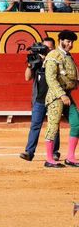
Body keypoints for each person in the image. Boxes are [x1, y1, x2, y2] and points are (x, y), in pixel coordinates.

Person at [43, 30, 79, 168]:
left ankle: (70, 157)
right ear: (61, 41)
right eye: (68, 42)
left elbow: (72, 76)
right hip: (55, 96)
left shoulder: (68, 56)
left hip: (67, 96)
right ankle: (49, 159)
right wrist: (61, 94)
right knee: (53, 126)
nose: (70, 45)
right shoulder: (53, 55)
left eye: (72, 42)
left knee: (77, 123)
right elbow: (50, 78)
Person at [19, 38, 59, 162]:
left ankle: (54, 152)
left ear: (53, 48)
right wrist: (31, 65)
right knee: (35, 125)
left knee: (54, 126)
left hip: (53, 98)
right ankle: (29, 152)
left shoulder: (57, 59)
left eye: (48, 48)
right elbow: (27, 77)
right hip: (39, 99)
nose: (46, 50)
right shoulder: (37, 60)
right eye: (44, 48)